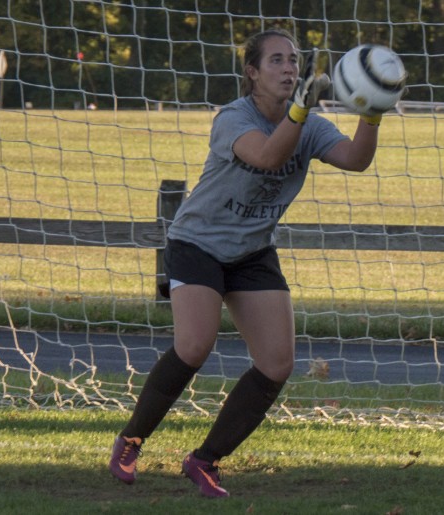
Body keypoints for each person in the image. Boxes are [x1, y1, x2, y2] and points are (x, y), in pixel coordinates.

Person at [108, 28, 386, 498]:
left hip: (253, 250)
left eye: (294, 61)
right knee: (195, 346)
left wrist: (373, 110)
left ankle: (204, 460)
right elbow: (265, 155)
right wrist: (300, 107)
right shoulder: (233, 119)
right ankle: (131, 439)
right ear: (252, 73)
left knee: (277, 364)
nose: (289, 68)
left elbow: (356, 159)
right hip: (197, 244)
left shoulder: (311, 126)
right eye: (276, 61)